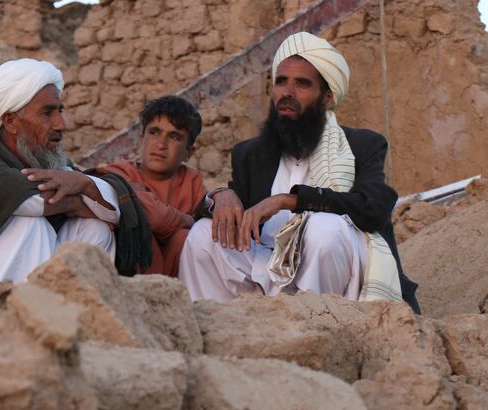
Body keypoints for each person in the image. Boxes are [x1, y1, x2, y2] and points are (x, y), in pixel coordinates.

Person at [179, 31, 419, 313]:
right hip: (264, 269)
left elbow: (374, 208)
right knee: (204, 234)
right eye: (281, 82)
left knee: (324, 228)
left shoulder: (362, 144)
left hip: (337, 279)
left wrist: (287, 200)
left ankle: (314, 327)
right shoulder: (250, 154)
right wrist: (220, 196)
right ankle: (214, 326)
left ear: (327, 98)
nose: (287, 93)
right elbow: (220, 210)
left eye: (302, 84)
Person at [0, 58, 121, 283]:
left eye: (60, 111)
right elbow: (27, 199)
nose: (61, 124)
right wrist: (76, 203)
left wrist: (84, 183)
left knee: (94, 227)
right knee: (29, 222)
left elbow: (111, 210)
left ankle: (72, 312)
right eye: (47, 113)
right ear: (10, 121)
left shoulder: (48, 162)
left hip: (47, 287)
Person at [105, 96, 208, 277]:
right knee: (140, 231)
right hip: (128, 281)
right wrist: (188, 220)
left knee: (186, 238)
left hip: (178, 286)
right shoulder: (120, 174)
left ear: (188, 153)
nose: (161, 144)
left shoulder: (192, 182)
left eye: (174, 137)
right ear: (141, 139)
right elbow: (156, 217)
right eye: (154, 132)